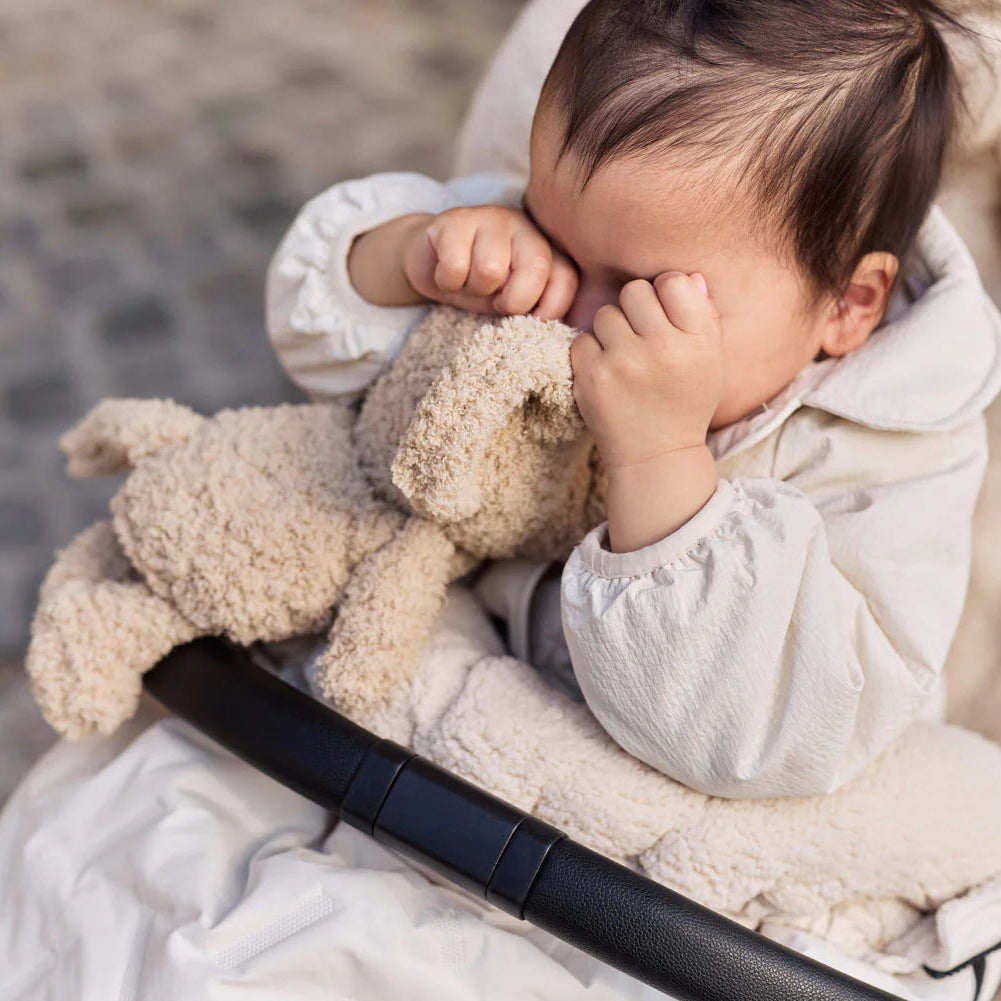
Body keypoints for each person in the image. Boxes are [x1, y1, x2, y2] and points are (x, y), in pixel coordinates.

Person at [265, 0, 1001, 799]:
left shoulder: (891, 447)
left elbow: (778, 730)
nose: (575, 313)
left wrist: (660, 459)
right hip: (412, 687)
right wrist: (411, 256)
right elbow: (320, 345)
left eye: (646, 290)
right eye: (552, 236)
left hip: (625, 844)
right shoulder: (583, 230)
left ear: (848, 305)